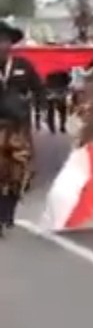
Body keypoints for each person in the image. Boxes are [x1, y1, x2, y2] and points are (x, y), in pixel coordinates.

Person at [0, 100, 32, 235]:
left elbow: (25, 148)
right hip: (9, 166)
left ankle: (6, 218)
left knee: (11, 192)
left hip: (11, 166)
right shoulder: (14, 132)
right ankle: (5, 218)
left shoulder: (16, 131)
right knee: (10, 192)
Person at [0, 22, 40, 131]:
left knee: (22, 147)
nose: (1, 46)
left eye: (4, 40)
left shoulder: (24, 65)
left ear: (10, 43)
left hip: (19, 125)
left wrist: (40, 108)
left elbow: (39, 88)